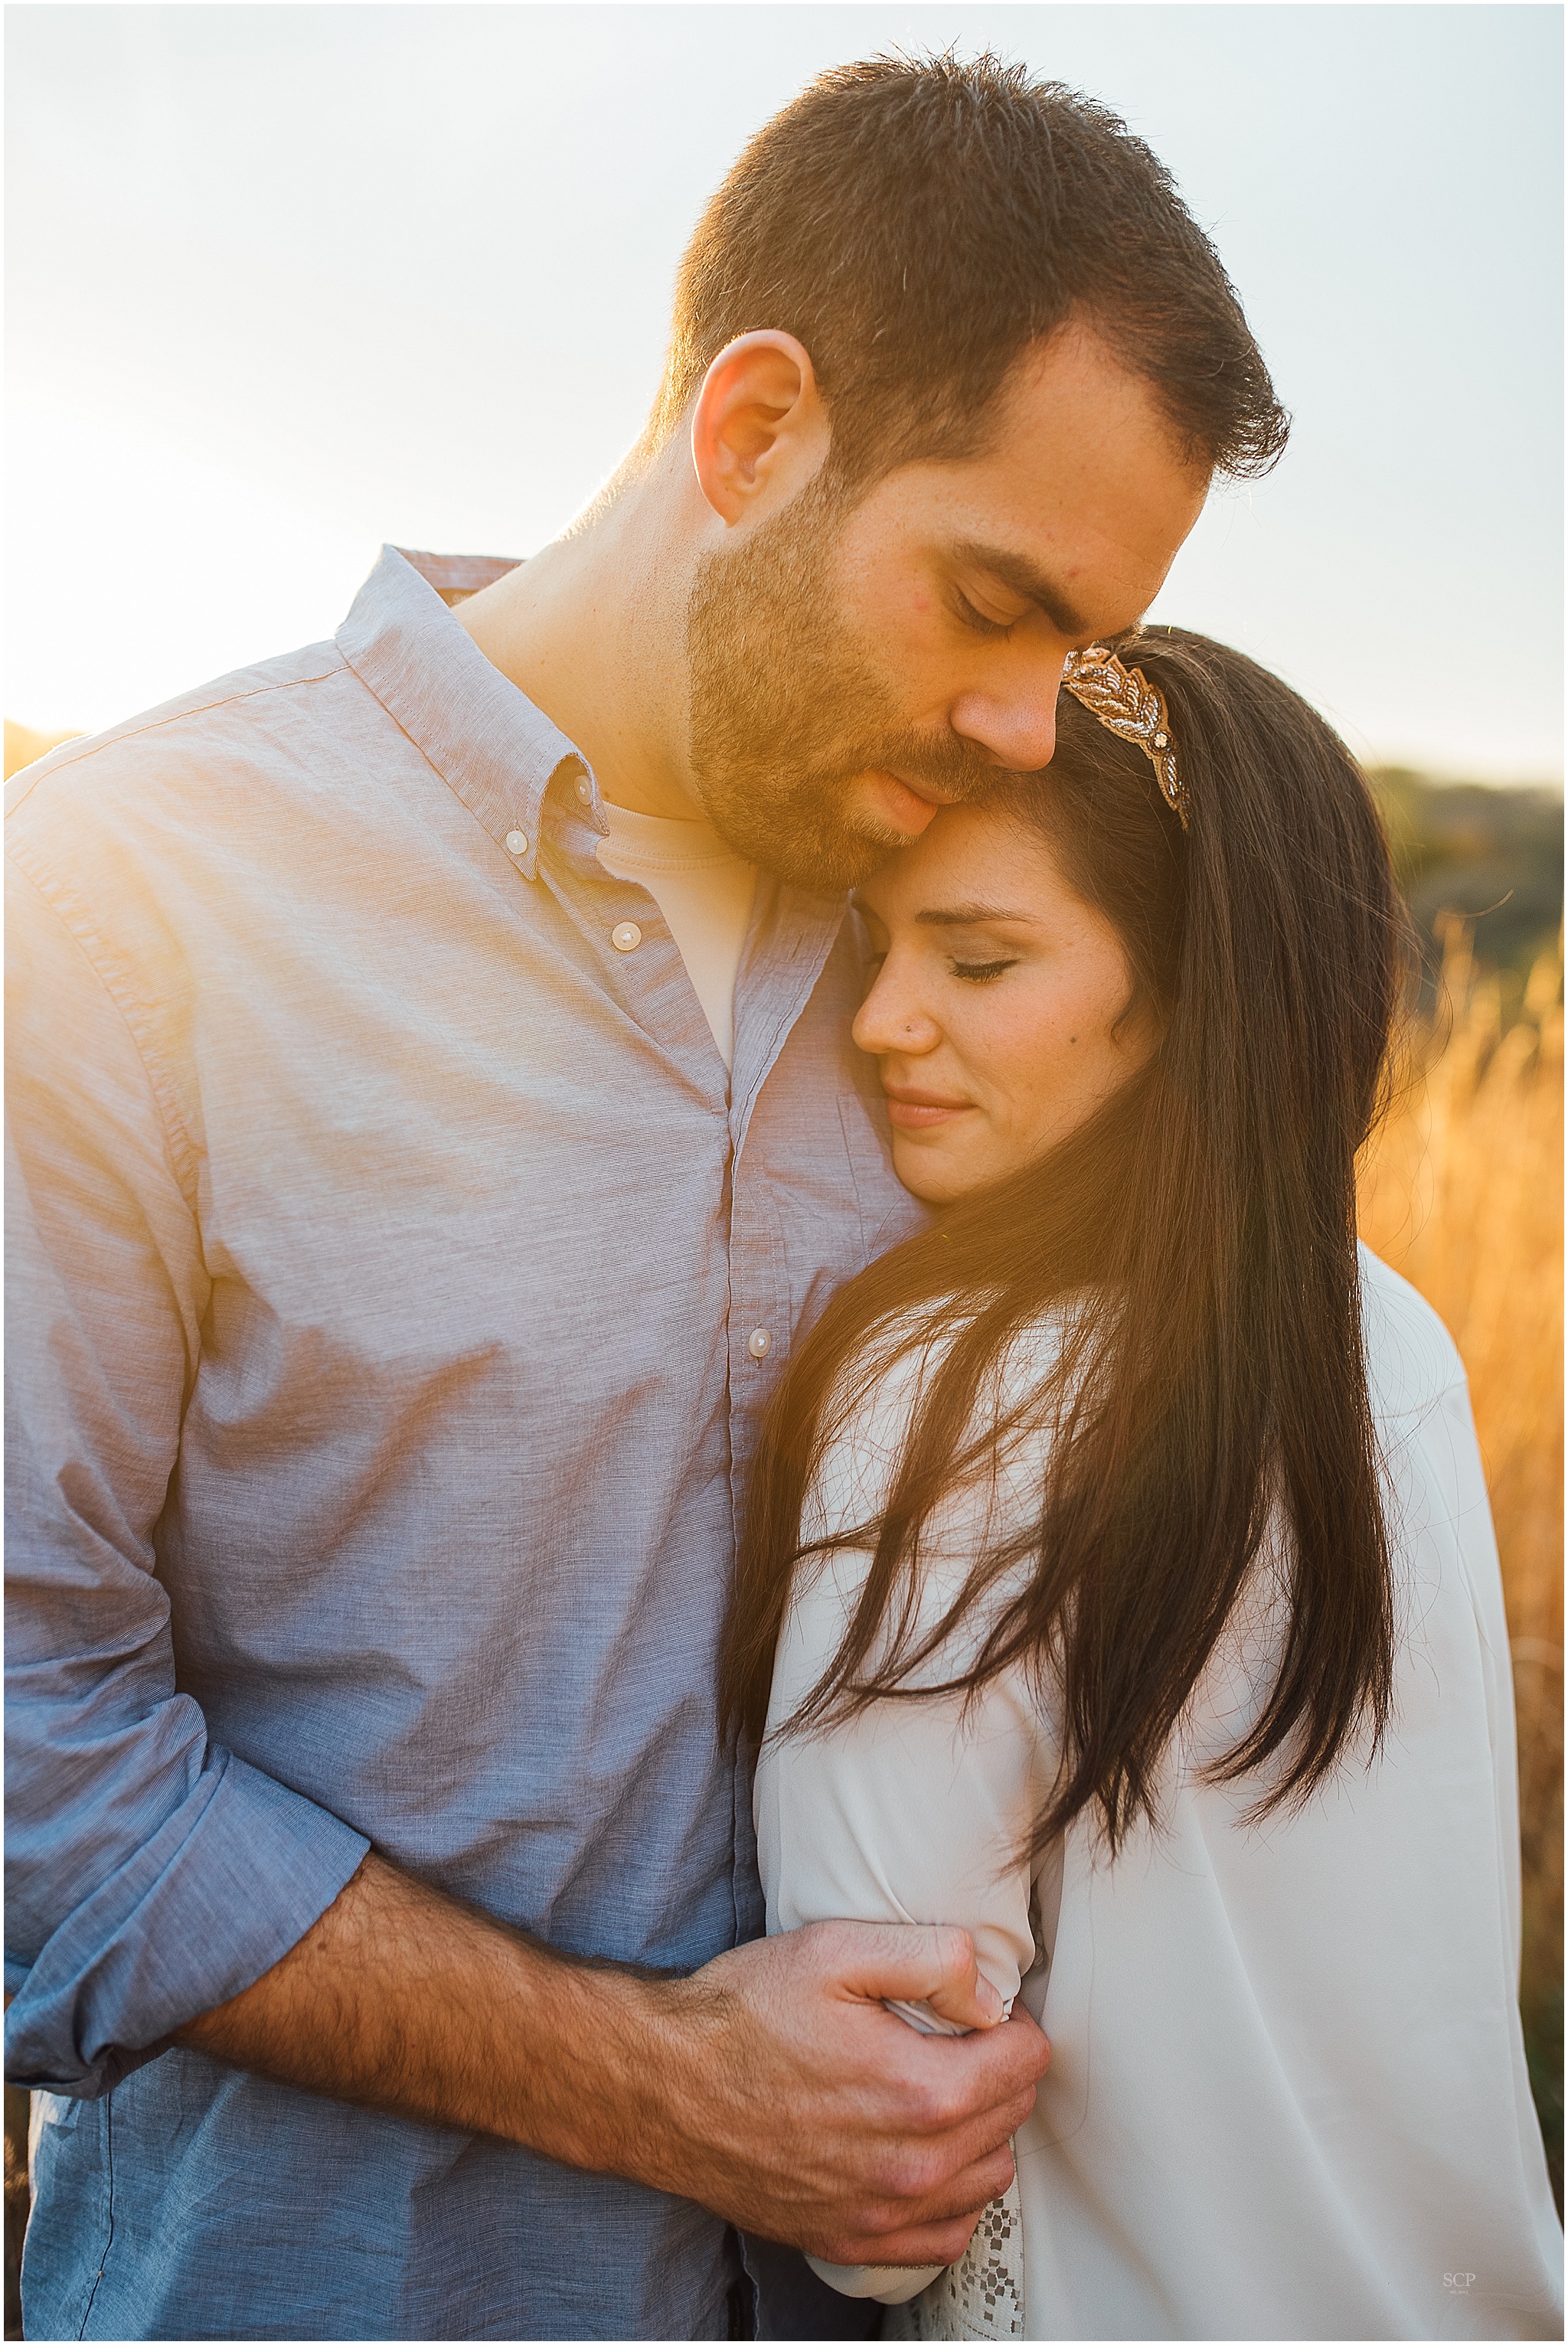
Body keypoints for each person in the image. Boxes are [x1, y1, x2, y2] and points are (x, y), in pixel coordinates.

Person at [5, 54, 1288, 2345]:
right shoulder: (115, 905)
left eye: (1073, 652)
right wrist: (667, 2092)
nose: (1027, 727)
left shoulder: (956, 973)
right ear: (754, 429)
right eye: (990, 601)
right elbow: (27, 1776)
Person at [729, 629, 1565, 2340]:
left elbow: (876, 2207)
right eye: (878, 947)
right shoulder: (1380, 1333)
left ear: (1187, 991)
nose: (882, 1021)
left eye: (978, 957)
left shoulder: (947, 1396)